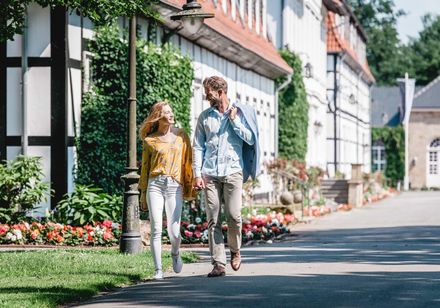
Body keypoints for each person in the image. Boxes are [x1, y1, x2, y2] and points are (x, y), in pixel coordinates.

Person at [193, 76, 260, 277]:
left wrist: (235, 121)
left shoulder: (241, 112)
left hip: (233, 171)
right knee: (213, 218)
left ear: (220, 92)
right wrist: (197, 174)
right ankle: (218, 263)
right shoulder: (205, 117)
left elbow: (250, 139)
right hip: (210, 172)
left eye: (209, 93)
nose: (206, 96)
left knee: (234, 215)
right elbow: (198, 146)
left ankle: (235, 250)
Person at [138, 101, 194, 280]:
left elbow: (188, 161)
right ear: (158, 117)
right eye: (167, 113)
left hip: (174, 186)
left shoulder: (181, 136)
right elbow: (145, 169)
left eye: (171, 111)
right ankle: (158, 270)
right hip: (155, 185)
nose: (171, 115)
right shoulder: (150, 140)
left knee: (174, 230)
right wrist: (142, 194)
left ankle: (175, 253)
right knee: (156, 228)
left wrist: (190, 184)